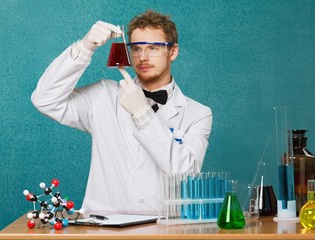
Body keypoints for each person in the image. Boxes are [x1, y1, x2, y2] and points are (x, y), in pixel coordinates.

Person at [31, 10, 212, 213]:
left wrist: (143, 113)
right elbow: (45, 99)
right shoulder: (104, 96)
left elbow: (186, 175)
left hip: (164, 229)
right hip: (103, 227)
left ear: (173, 51)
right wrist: (85, 46)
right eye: (136, 49)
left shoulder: (198, 113)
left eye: (153, 48)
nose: (143, 57)